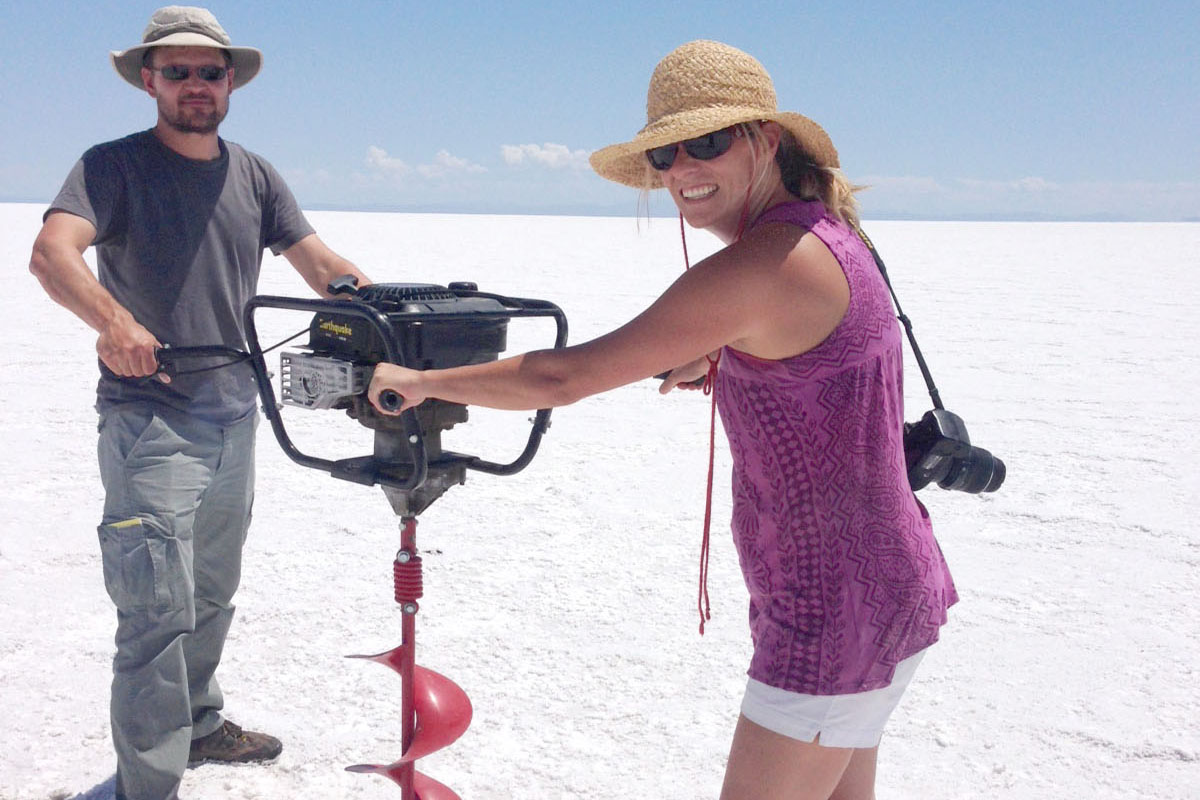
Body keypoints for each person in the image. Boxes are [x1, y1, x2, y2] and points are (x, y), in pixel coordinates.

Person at [368, 40, 957, 800]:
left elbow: (564, 375)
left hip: (832, 613)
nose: (682, 170)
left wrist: (418, 381)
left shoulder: (760, 267)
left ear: (765, 142)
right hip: (888, 587)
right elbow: (820, 357)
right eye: (664, 155)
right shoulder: (831, 239)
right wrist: (727, 360)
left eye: (706, 142)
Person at [28, 7, 371, 799]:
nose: (193, 85)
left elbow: (317, 260)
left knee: (211, 590)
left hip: (235, 414)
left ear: (230, 84)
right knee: (155, 612)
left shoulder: (252, 172)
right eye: (176, 71)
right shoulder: (111, 167)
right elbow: (53, 253)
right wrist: (113, 321)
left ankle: (199, 722)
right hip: (150, 422)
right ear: (148, 80)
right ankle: (149, 786)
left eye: (208, 72)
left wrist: (378, 306)